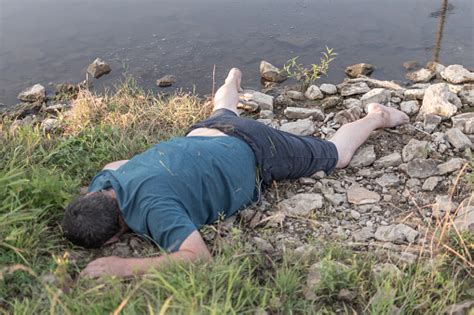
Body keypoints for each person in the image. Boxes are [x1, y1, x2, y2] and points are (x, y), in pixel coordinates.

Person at [63, 68, 409, 278]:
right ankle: (232, 79)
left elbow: (197, 258)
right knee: (223, 109)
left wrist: (124, 268)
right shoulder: (107, 180)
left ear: (112, 238)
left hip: (257, 149)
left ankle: (378, 116)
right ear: (94, 195)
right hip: (205, 134)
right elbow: (114, 166)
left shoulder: (153, 209)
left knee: (337, 155)